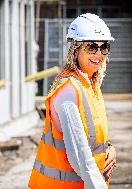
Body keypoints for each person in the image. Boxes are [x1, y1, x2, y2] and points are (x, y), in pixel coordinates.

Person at [28, 13, 117, 189]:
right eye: (91, 47)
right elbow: (80, 157)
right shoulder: (69, 91)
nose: (98, 54)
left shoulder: (90, 83)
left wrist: (109, 147)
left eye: (103, 47)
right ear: (75, 50)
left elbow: (90, 134)